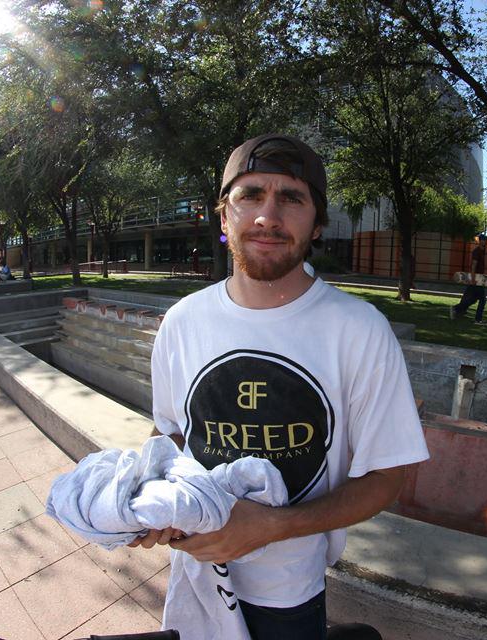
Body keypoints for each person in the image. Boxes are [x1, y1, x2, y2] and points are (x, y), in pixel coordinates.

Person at [136, 134, 430, 640]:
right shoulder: (182, 321)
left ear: (316, 224)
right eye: (250, 195)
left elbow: (387, 475)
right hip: (195, 575)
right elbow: (173, 436)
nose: (267, 216)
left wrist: (274, 526)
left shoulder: (359, 329)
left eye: (291, 198)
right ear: (223, 215)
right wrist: (157, 500)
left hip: (289, 593)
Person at [450, 233, 487, 324]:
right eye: (483, 240)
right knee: (482, 300)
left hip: (479, 278)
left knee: (473, 299)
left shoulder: (482, 251)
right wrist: (473, 279)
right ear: (480, 241)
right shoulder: (477, 251)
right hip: (476, 279)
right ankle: (478, 320)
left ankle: (456, 309)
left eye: (486, 240)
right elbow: (473, 265)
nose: (485, 242)